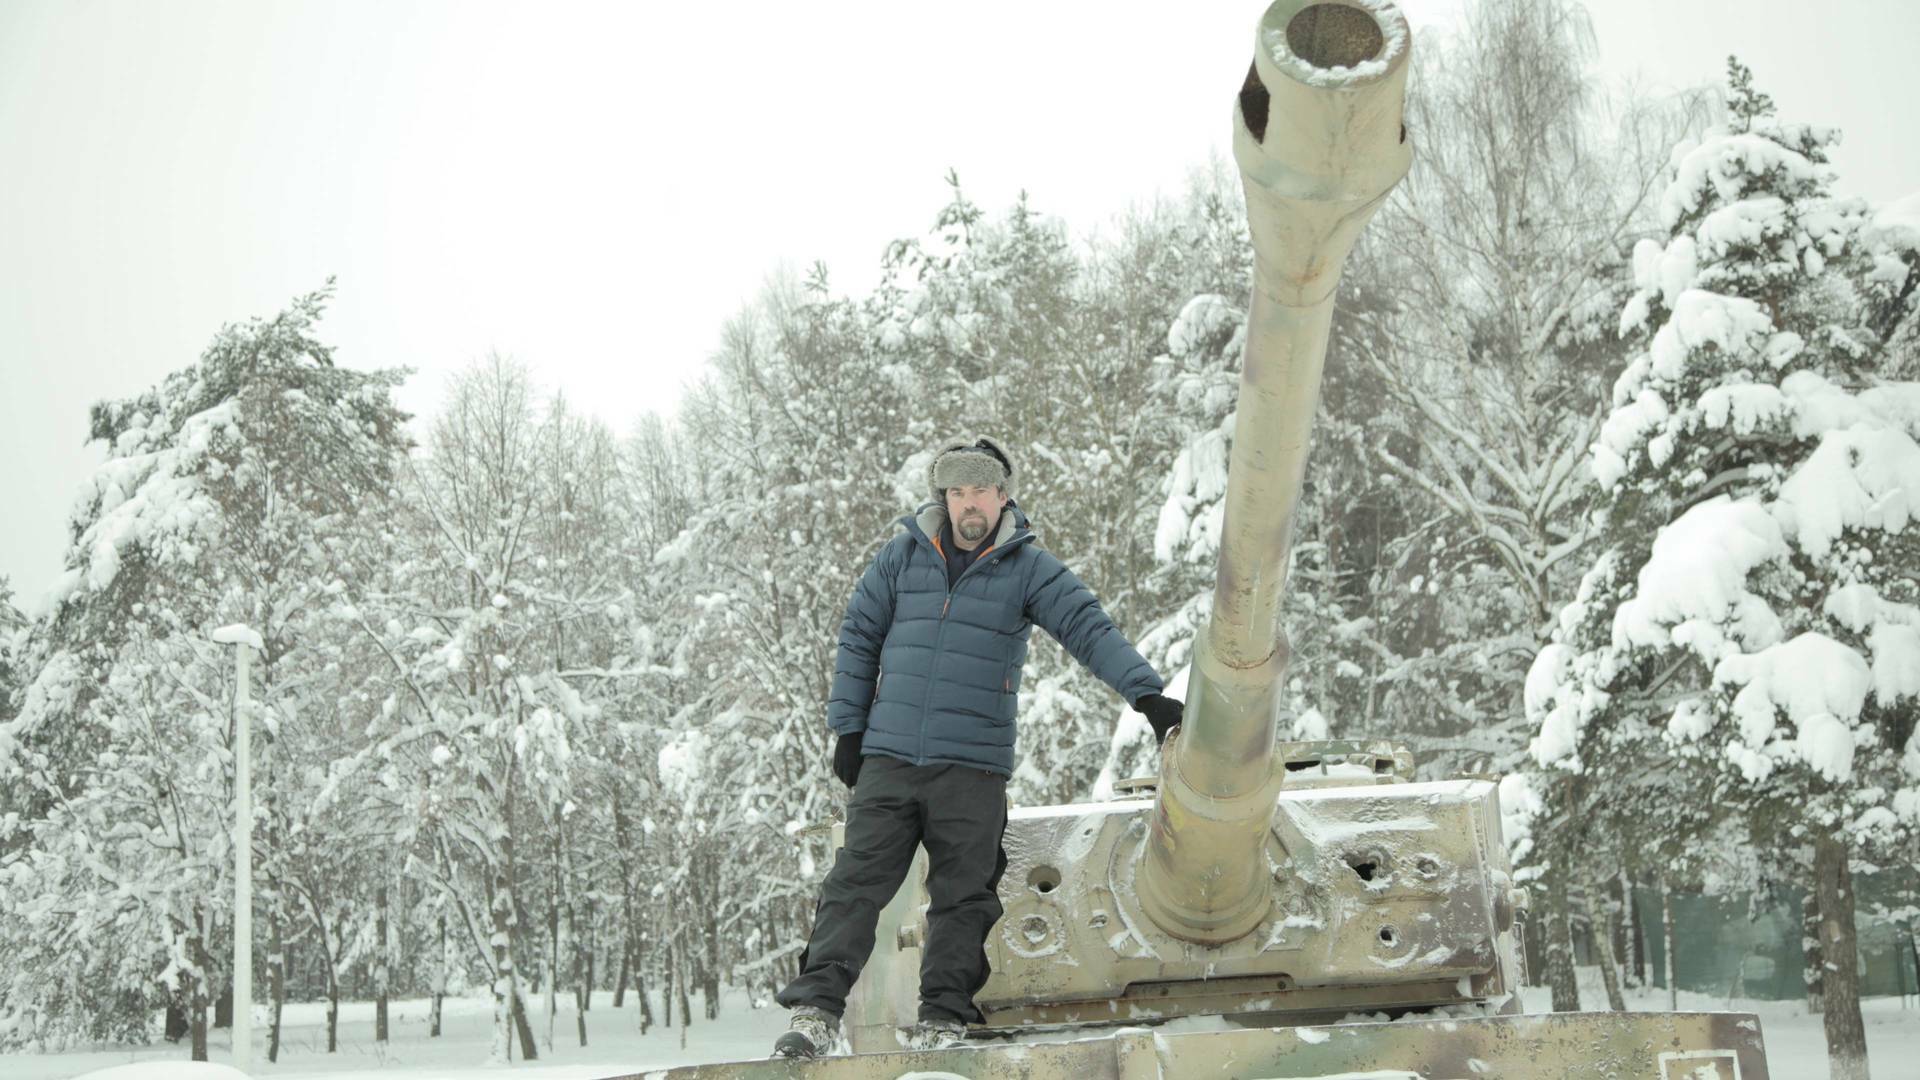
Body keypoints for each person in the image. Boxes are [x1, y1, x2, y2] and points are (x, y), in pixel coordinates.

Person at [772, 436, 1185, 1057]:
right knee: (853, 886)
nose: (969, 504)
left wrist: (1147, 697)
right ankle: (814, 1014)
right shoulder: (901, 558)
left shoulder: (1027, 567)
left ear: (1002, 495)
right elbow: (858, 636)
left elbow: (1087, 627)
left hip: (972, 768)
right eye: (957, 491)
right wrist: (849, 730)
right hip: (889, 760)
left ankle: (943, 1020)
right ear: (945, 496)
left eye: (981, 491)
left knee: (963, 898)